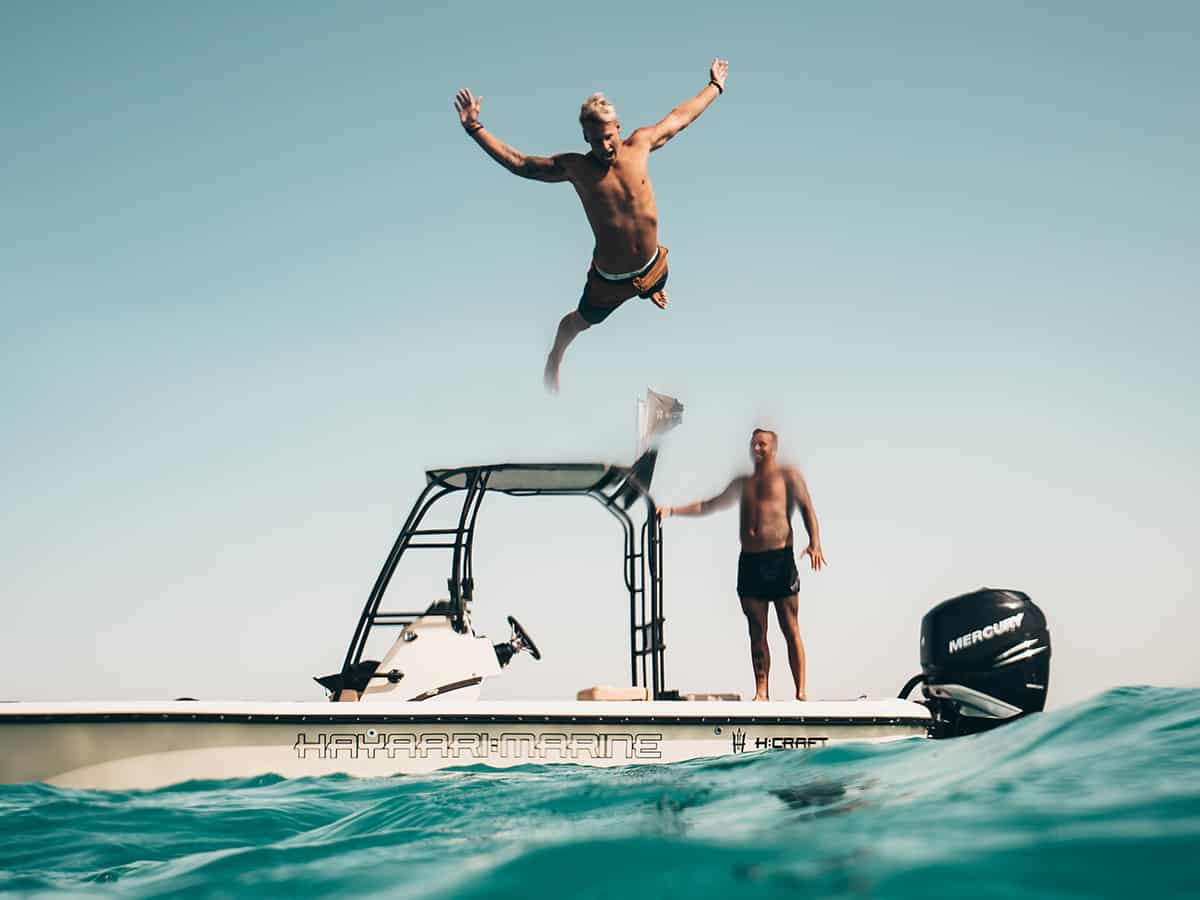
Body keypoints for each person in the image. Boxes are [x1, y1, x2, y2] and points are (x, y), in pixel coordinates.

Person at [453, 58, 729, 392]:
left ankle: (650, 289)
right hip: (608, 281)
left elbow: (679, 118)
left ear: (618, 128)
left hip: (655, 266)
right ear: (585, 136)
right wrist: (474, 129)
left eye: (609, 137)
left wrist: (715, 86)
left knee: (656, 283)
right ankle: (555, 355)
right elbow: (521, 164)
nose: (605, 146)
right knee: (576, 324)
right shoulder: (576, 168)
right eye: (596, 140)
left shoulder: (640, 144)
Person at [659, 429, 826, 701]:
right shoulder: (742, 484)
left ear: (774, 447)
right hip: (750, 562)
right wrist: (672, 510)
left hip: (780, 559)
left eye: (762, 443)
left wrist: (815, 543)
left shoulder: (789, 476)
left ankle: (801, 692)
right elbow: (709, 505)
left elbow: (807, 508)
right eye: (753, 443)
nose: (756, 448)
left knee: (790, 627)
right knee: (756, 631)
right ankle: (762, 692)